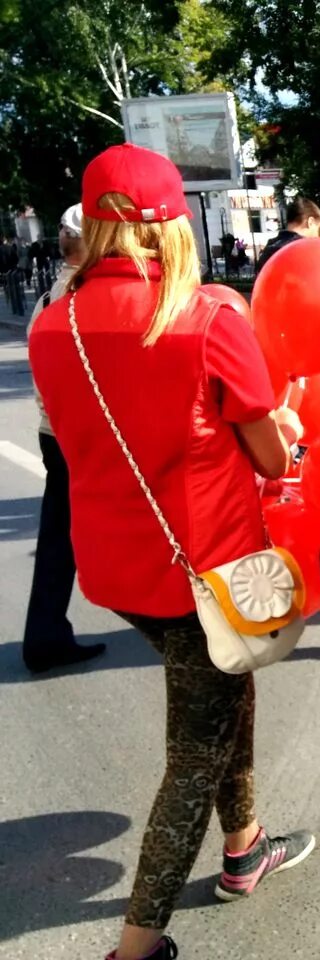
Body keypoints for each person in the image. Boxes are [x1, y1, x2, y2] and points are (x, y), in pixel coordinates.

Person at [28, 143, 315, 960]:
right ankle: (136, 945)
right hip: (206, 568)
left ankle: (246, 844)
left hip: (116, 569)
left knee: (224, 690)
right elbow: (269, 458)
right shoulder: (209, 318)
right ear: (173, 226)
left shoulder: (54, 325)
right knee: (195, 749)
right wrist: (285, 430)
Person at [22, 203, 106, 673]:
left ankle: (45, 633)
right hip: (87, 435)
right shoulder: (88, 298)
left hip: (53, 432)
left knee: (57, 535)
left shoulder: (48, 298)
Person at [255, 196, 320, 273]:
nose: (318, 235)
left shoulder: (270, 247)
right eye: (318, 228)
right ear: (310, 222)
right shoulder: (305, 251)